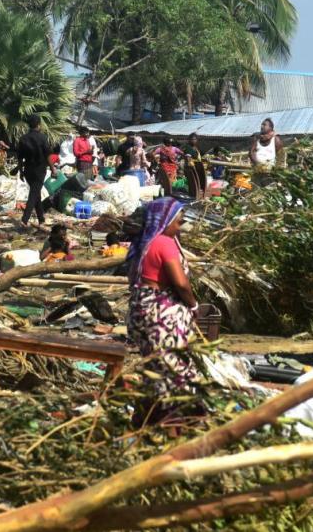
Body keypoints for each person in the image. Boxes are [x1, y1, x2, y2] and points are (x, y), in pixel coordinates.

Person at [126, 198, 202, 425]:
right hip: (162, 316)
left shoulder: (144, 243)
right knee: (175, 372)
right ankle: (173, 424)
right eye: (178, 223)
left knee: (155, 369)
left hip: (141, 311)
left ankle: (144, 422)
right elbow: (180, 283)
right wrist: (193, 305)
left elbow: (133, 279)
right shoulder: (164, 243)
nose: (180, 228)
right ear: (166, 221)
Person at [16, 116, 53, 228]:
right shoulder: (42, 138)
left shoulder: (23, 138)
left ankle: (41, 219)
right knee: (33, 194)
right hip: (39, 169)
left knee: (36, 194)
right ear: (39, 125)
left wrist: (21, 172)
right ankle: (24, 219)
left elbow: (20, 157)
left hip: (28, 170)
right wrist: (53, 168)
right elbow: (48, 155)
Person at [182, 133, 208, 200]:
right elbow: (188, 157)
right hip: (190, 167)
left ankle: (198, 193)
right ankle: (192, 194)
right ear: (189, 140)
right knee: (192, 181)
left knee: (199, 180)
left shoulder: (196, 148)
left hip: (198, 167)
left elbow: (200, 156)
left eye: (195, 139)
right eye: (192, 139)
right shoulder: (187, 147)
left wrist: (205, 159)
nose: (194, 141)